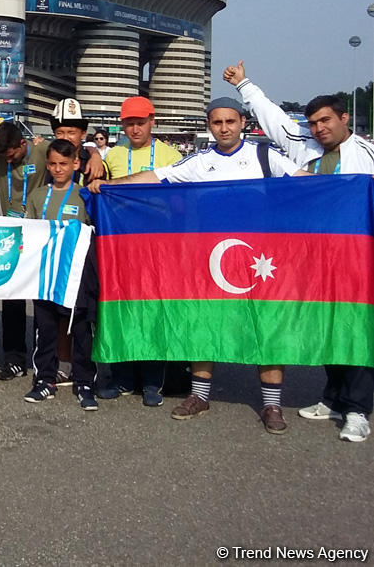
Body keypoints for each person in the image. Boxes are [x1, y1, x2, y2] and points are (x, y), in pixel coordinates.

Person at [91, 96, 308, 435]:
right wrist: (109, 185)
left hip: (259, 258)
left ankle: (271, 403)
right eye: (217, 122)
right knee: (206, 320)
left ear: (242, 123)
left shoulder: (265, 155)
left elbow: (306, 182)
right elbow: (155, 178)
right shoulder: (199, 161)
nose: (224, 128)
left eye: (230, 122)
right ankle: (200, 395)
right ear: (209, 125)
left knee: (265, 326)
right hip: (213, 255)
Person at [226, 61, 374, 443]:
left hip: (356, 258)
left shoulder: (369, 157)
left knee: (354, 329)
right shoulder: (302, 147)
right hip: (312, 257)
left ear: (345, 118)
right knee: (323, 327)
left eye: (326, 121)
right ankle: (333, 397)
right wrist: (244, 84)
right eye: (313, 123)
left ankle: (357, 409)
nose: (319, 129)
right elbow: (273, 118)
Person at [96, 96, 184, 406]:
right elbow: (95, 182)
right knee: (123, 310)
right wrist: (94, 159)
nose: (135, 128)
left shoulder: (171, 155)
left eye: (140, 122)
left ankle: (151, 382)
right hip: (121, 247)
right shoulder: (114, 155)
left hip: (158, 248)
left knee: (153, 313)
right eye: (129, 123)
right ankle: (122, 378)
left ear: (152, 121)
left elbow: (182, 201)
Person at [23, 139, 99, 412]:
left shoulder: (85, 195)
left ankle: (84, 382)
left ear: (76, 164)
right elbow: (28, 234)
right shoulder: (36, 196)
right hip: (44, 275)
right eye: (53, 163)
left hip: (76, 276)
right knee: (45, 330)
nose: (57, 169)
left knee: (81, 329)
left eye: (63, 164)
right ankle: (44, 379)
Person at [0, 120, 50, 381]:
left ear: (23, 143)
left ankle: (44, 360)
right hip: (10, 235)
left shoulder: (43, 150)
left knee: (42, 300)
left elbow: (72, 151)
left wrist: (92, 153)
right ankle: (13, 358)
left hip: (38, 234)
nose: (7, 161)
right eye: (3, 158)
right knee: (10, 295)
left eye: (11, 155)